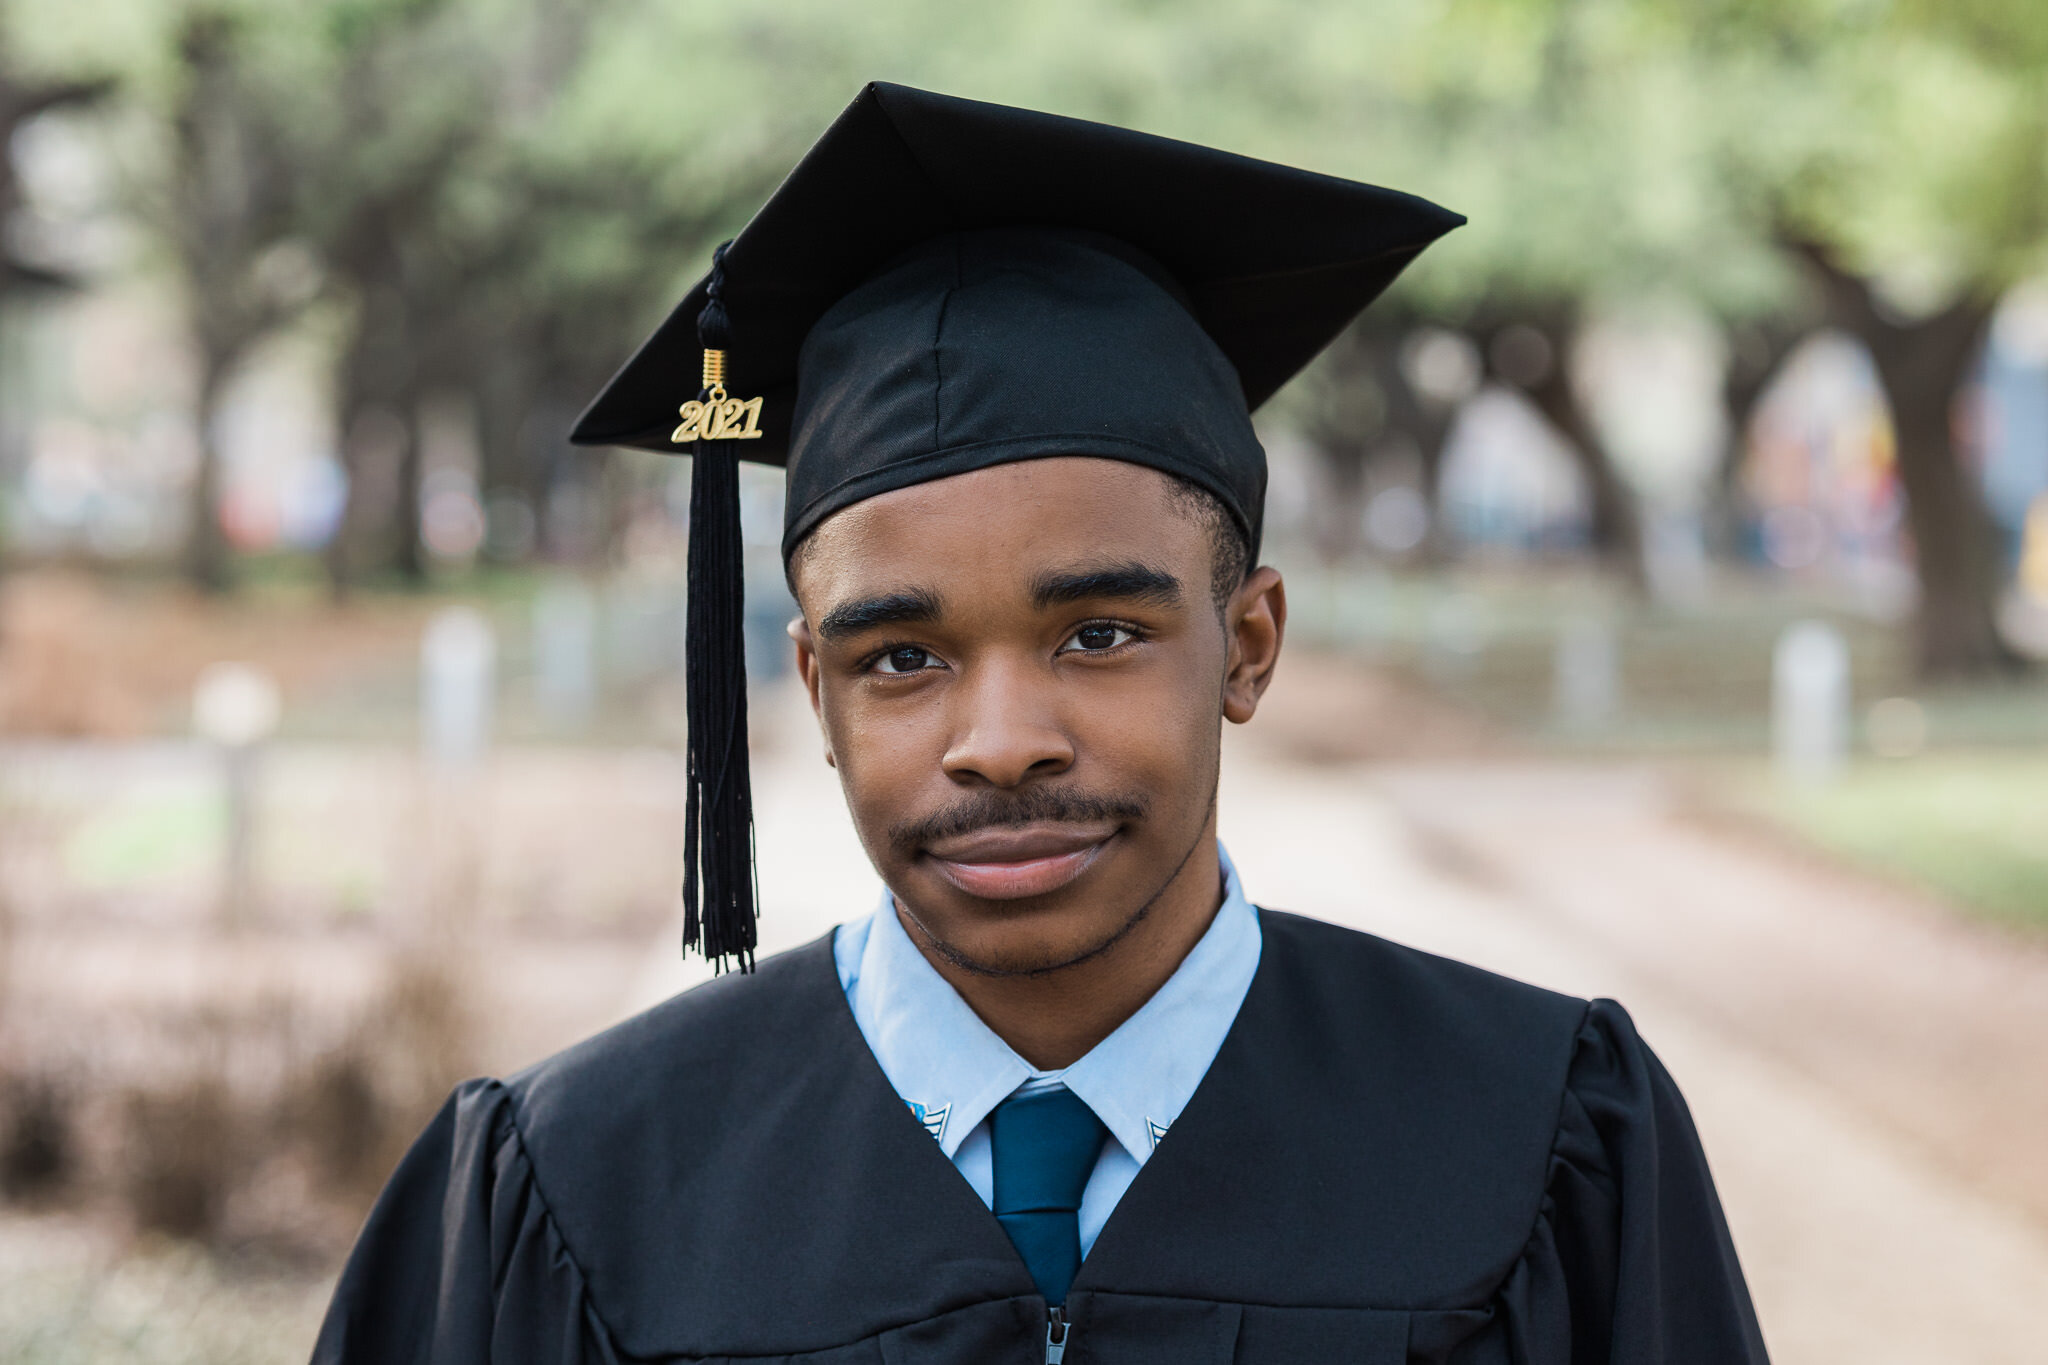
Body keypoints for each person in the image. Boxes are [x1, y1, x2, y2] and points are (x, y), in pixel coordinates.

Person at [312, 83, 1769, 1365]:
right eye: (901, 657)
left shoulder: (1533, 1142)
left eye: (1098, 633)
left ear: (1247, 644)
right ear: (812, 692)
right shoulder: (580, 1191)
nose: (1000, 739)